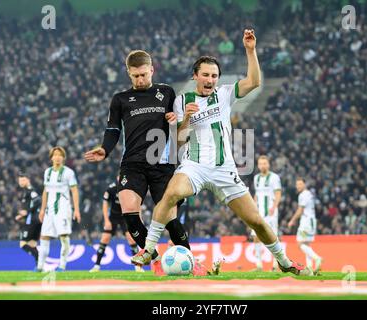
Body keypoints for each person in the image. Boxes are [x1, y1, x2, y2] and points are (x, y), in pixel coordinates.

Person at [132, 29, 313, 276]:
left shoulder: (225, 94)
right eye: (205, 75)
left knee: (257, 221)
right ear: (195, 76)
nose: (210, 79)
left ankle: (284, 261)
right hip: (193, 166)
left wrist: (250, 51)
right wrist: (186, 119)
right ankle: (148, 248)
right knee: (170, 194)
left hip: (224, 168)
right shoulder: (182, 101)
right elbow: (179, 140)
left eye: (214, 75)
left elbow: (254, 82)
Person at [84, 50, 195, 275]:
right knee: (130, 214)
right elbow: (113, 129)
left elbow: (182, 128)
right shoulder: (120, 99)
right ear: (129, 74)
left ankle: (191, 262)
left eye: (143, 75)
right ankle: (155, 261)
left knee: (171, 219)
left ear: (152, 70)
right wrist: (104, 149)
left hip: (161, 163)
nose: (140, 80)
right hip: (132, 164)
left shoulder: (166, 93)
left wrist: (175, 121)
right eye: (135, 76)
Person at [36, 146, 81, 272]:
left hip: (63, 208)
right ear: (51, 158)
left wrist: (76, 209)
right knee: (44, 236)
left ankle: (62, 265)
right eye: (55, 155)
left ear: (63, 158)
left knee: (63, 236)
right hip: (49, 209)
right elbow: (45, 191)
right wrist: (42, 209)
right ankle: (40, 266)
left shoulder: (68, 172)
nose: (57, 157)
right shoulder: (47, 172)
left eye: (60, 155)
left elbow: (74, 191)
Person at [90, 177, 144, 272]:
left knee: (131, 238)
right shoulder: (112, 188)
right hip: (113, 217)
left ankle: (137, 266)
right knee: (105, 238)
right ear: (117, 177)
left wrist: (139, 218)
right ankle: (96, 266)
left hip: (126, 216)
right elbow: (105, 203)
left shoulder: (130, 188)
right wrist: (106, 220)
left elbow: (137, 203)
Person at [252, 155, 283, 271]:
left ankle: (276, 264)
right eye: (260, 164)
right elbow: (256, 194)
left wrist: (274, 207)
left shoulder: (274, 177)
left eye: (265, 163)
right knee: (255, 236)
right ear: (258, 165)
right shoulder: (256, 178)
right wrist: (253, 207)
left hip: (270, 212)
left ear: (268, 164)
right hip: (258, 212)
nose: (262, 165)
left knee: (273, 237)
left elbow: (278, 194)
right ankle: (259, 265)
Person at [288, 177, 323, 274]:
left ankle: (317, 258)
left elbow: (300, 210)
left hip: (306, 222)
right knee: (307, 245)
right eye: (297, 184)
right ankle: (310, 268)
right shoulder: (309, 194)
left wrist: (292, 220)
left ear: (304, 184)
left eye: (300, 184)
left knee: (300, 244)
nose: (298, 186)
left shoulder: (303, 195)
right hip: (312, 221)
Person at [16, 172, 42, 266]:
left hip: (32, 221)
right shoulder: (26, 191)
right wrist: (22, 215)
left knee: (22, 244)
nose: (21, 182)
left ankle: (40, 258)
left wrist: (27, 211)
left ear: (28, 180)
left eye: (23, 180)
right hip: (34, 221)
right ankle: (39, 266)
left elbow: (38, 201)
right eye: (20, 181)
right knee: (32, 244)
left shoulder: (30, 191)